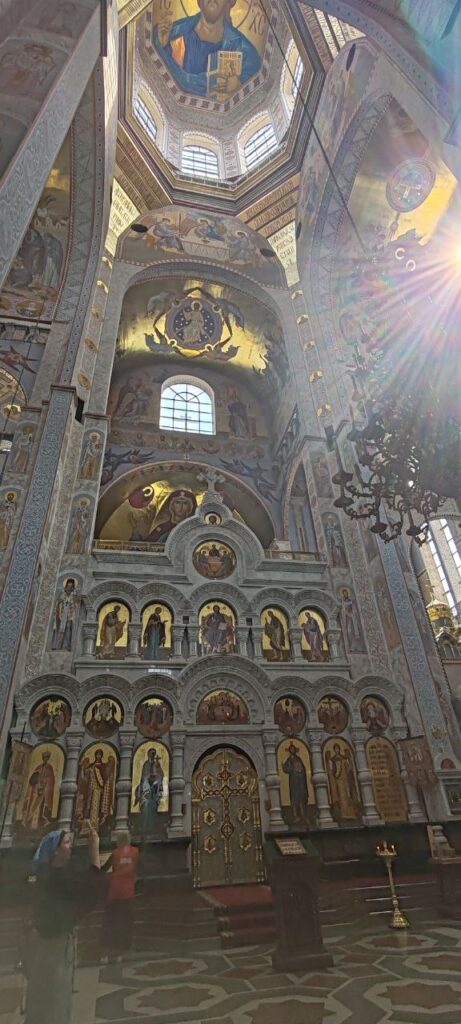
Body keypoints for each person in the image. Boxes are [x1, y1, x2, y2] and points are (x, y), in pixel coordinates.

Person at [23, 826, 101, 1024]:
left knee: (44, 996)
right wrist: (94, 852)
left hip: (46, 943)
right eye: (66, 843)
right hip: (54, 945)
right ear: (55, 851)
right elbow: (90, 892)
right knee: (54, 997)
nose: (70, 846)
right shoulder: (58, 879)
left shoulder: (50, 876)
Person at [154, 0, 261, 98]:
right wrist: (163, 46)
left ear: (228, 2)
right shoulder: (174, 32)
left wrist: (239, 85)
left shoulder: (242, 48)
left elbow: (256, 75)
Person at [101, 832, 139, 958]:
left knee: (113, 919)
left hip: (115, 890)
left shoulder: (115, 853)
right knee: (127, 919)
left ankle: (111, 944)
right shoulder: (135, 852)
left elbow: (105, 868)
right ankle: (126, 945)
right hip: (128, 890)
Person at [134, 750, 164, 837]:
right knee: (145, 808)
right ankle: (144, 828)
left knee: (153, 809)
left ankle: (152, 828)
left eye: (154, 754)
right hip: (146, 790)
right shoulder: (146, 764)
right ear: (148, 755)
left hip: (154, 792)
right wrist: (149, 778)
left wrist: (158, 769)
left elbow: (161, 775)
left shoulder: (156, 764)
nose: (153, 755)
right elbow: (144, 776)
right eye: (151, 754)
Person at [282, 742, 310, 825]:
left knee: (302, 799)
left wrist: (300, 770)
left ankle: (304, 816)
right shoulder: (289, 759)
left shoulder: (298, 759)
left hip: (301, 782)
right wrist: (291, 768)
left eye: (293, 749)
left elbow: (303, 769)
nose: (292, 750)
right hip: (293, 782)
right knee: (294, 799)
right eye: (291, 749)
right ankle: (296, 816)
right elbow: (286, 769)